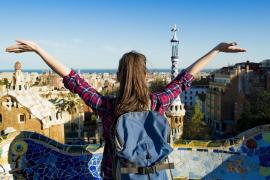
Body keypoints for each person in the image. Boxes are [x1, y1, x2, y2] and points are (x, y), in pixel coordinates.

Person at [6, 40, 246, 179]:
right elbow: (186, 78)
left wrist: (38, 49)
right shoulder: (158, 102)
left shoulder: (108, 107)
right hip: (155, 175)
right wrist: (217, 49)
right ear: (145, 76)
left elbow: (72, 79)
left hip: (118, 175)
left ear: (119, 75)